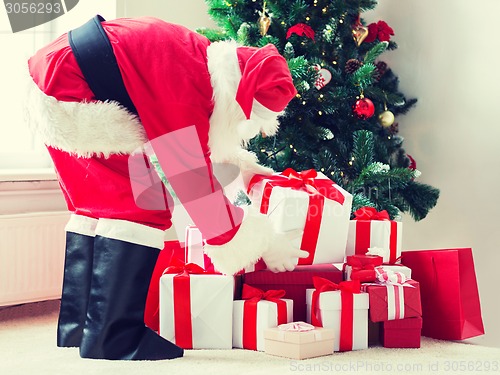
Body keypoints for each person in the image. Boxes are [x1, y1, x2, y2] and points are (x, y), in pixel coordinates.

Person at [25, 15, 308, 361]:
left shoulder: (196, 57)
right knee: (143, 206)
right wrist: (263, 240)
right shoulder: (188, 85)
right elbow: (191, 181)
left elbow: (194, 148)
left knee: (94, 209)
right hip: (73, 90)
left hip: (52, 84)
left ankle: (79, 326)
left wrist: (241, 168)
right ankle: (115, 338)